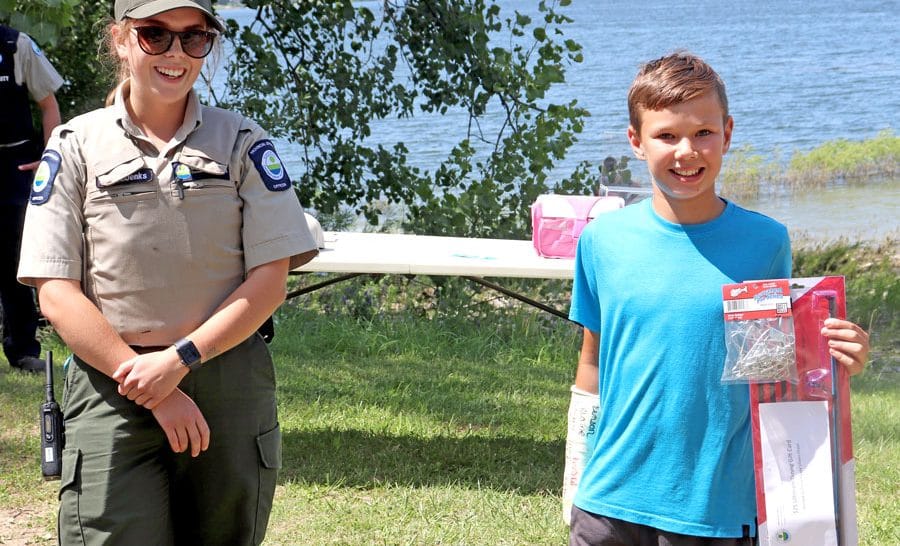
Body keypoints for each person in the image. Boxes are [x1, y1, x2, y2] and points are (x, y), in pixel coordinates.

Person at [17, 0, 319, 543]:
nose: (175, 52)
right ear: (120, 40)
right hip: (111, 382)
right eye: (155, 35)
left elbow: (271, 280)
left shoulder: (242, 142)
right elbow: (55, 291)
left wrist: (180, 361)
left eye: (194, 37)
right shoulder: (75, 145)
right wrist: (153, 385)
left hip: (227, 380)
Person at [564, 51, 870, 545]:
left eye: (703, 132)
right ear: (636, 142)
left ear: (727, 134)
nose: (687, 151)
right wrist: (575, 471)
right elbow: (592, 361)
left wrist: (838, 360)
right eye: (666, 135)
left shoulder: (766, 242)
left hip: (716, 508)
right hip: (608, 500)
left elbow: (775, 368)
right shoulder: (602, 241)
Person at [0, 23, 62, 372]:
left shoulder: (15, 45)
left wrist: (49, 158)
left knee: (15, 260)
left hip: (15, 165)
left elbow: (48, 104)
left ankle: (23, 351)